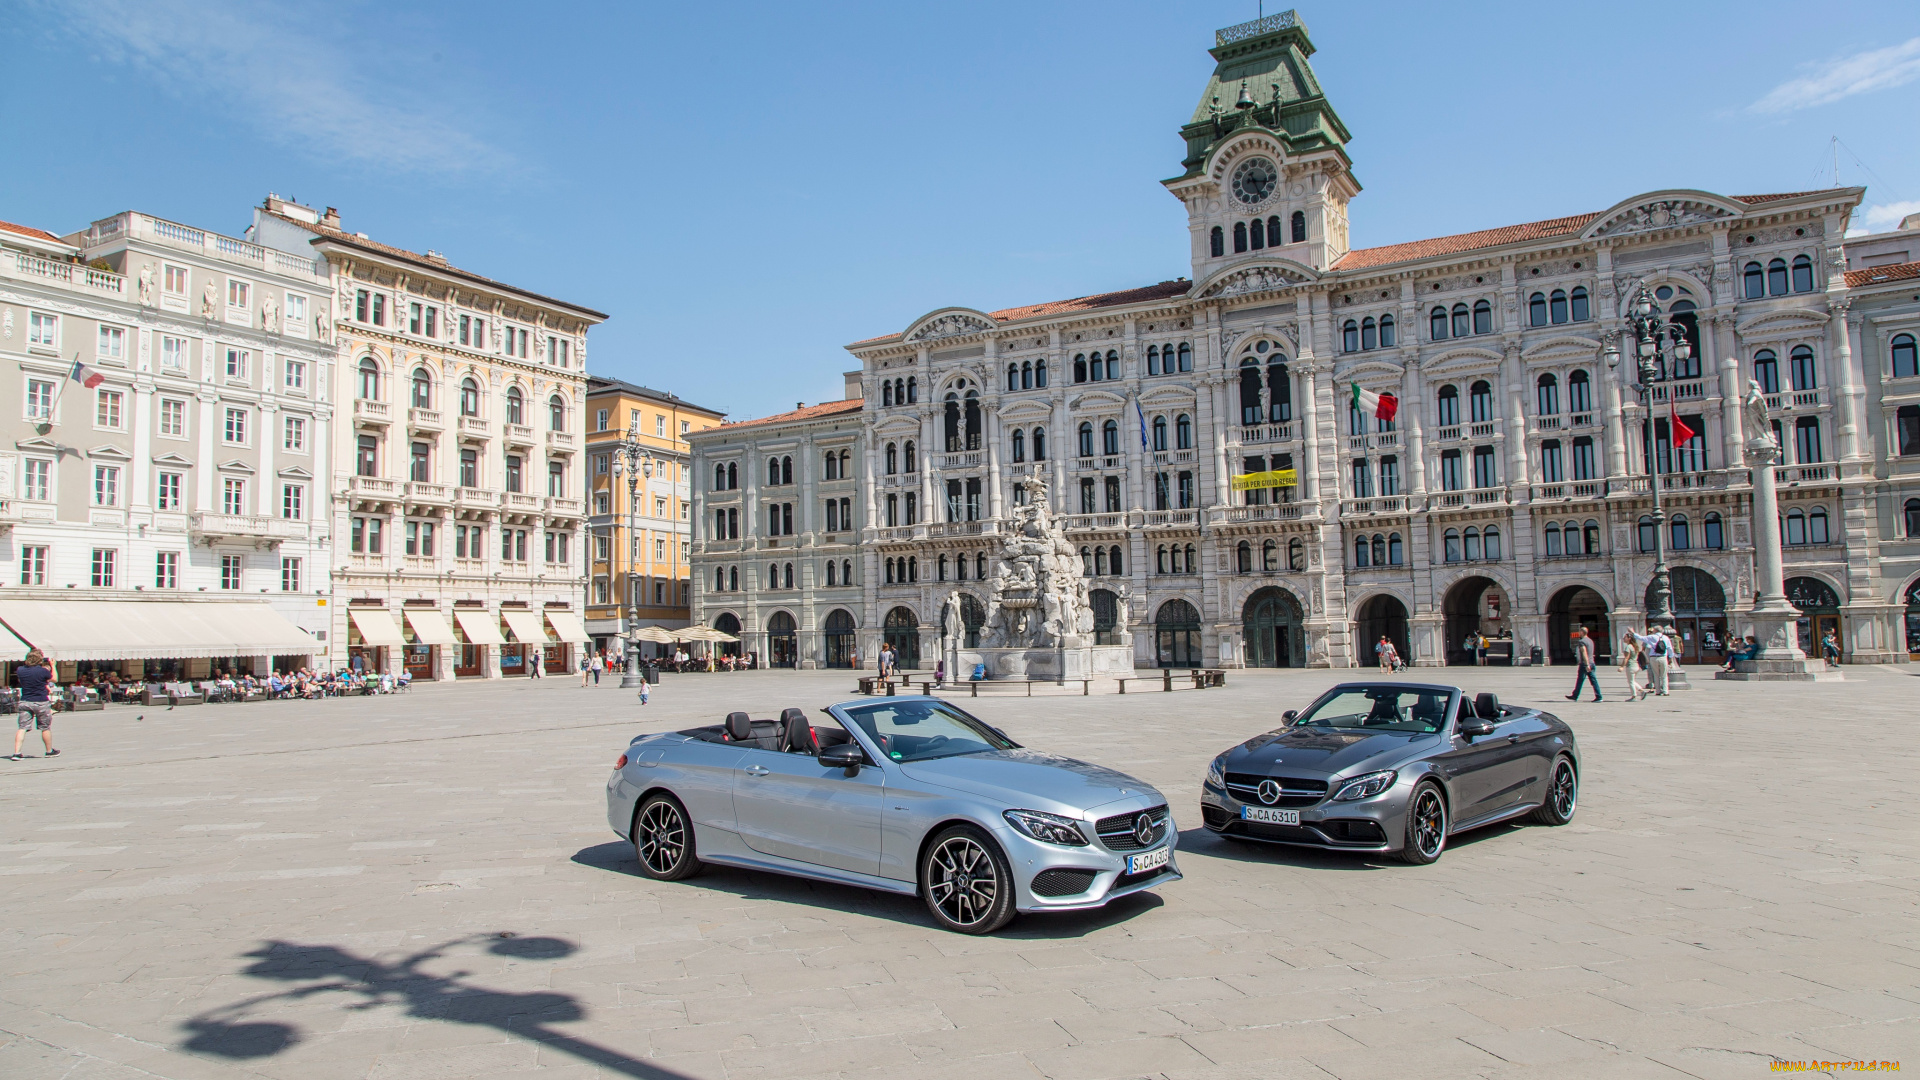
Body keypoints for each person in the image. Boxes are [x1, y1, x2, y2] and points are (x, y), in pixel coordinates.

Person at [12, 650, 57, 761]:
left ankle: (17, 753)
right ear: (39, 659)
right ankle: (49, 751)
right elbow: (54, 679)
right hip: (41, 701)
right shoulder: (43, 671)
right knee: (45, 728)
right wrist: (53, 666)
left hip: (25, 700)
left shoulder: (20, 670)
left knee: (22, 727)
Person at [1631, 627, 1673, 695]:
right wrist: (1671, 657)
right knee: (1664, 675)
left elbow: (1641, 638)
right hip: (1663, 657)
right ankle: (1665, 691)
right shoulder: (1666, 638)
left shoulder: (1651, 637)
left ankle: (1658, 691)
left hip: (1653, 658)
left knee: (1656, 675)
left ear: (1655, 630)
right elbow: (1669, 648)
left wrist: (1633, 633)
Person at [1565, 628, 1602, 702]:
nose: (1579, 633)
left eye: (1579, 631)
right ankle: (1598, 696)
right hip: (1592, 662)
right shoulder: (1590, 641)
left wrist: (1586, 664)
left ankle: (1575, 696)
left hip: (1585, 664)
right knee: (1593, 681)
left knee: (1580, 680)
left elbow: (1584, 653)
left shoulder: (1582, 641)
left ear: (1582, 632)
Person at [1618, 632, 1644, 700]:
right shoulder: (1635, 646)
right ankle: (1641, 691)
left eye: (1625, 637)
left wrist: (1622, 666)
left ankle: (1634, 696)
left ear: (1629, 638)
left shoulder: (1628, 647)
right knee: (1632, 681)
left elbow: (1626, 658)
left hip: (1631, 666)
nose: (1623, 638)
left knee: (1631, 682)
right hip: (1636, 665)